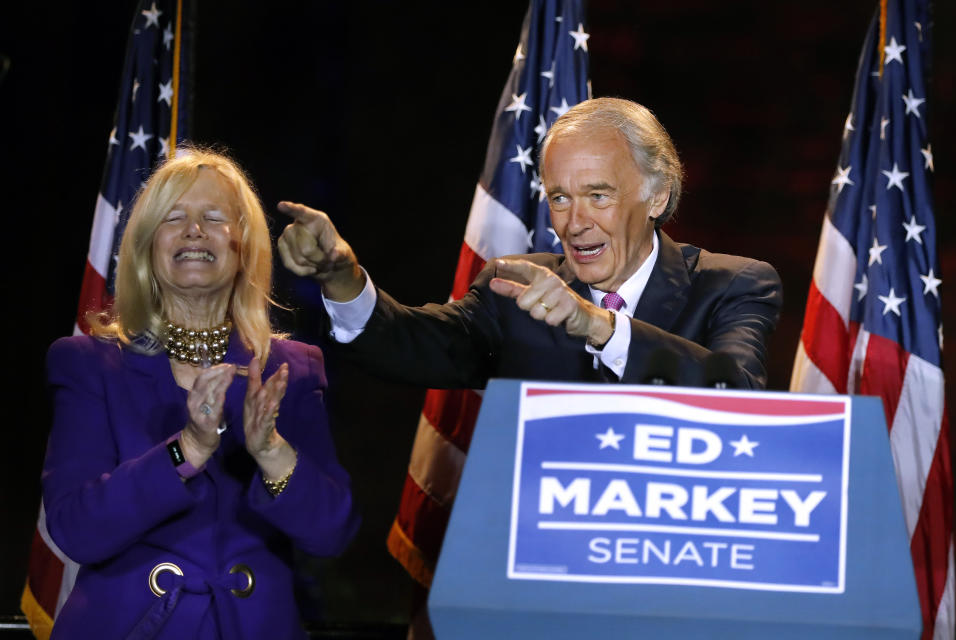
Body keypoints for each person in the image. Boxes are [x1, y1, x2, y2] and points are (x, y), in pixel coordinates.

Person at [42, 149, 359, 639]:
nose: (194, 230)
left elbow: (332, 532)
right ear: (147, 247)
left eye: (213, 218)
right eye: (175, 218)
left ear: (243, 248)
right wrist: (186, 450)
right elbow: (74, 529)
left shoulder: (293, 370)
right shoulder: (88, 364)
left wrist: (272, 452)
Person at [276, 97, 782, 389]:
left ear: (657, 196)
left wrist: (599, 325)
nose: (575, 222)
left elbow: (736, 392)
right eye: (559, 198)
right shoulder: (514, 288)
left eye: (597, 196)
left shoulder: (731, 285)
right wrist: (340, 277)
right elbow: (410, 344)